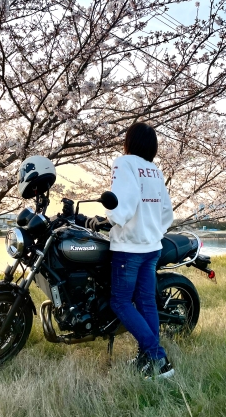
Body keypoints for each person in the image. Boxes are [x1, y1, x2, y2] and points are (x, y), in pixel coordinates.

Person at [91, 122, 174, 378]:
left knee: (120, 301)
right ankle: (147, 361)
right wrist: (153, 233)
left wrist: (108, 220)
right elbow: (166, 213)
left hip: (129, 248)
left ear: (130, 142)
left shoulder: (124, 163)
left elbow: (122, 203)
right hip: (152, 247)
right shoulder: (155, 171)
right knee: (147, 302)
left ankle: (158, 358)